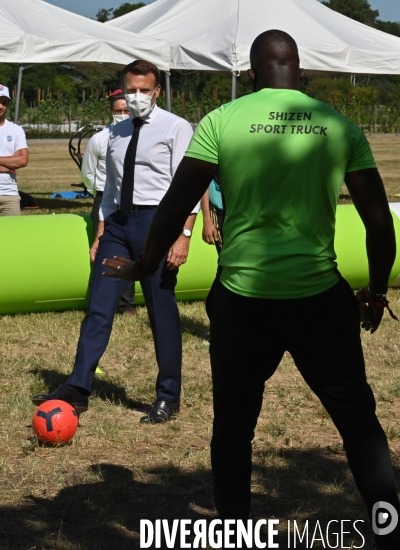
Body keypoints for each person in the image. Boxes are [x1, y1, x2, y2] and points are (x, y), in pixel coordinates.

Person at [103, 32, 400, 548]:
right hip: (319, 299)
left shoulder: (222, 120)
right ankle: (387, 522)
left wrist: (145, 262)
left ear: (251, 75)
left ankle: (236, 533)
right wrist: (375, 293)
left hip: (243, 299)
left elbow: (177, 203)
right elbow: (380, 224)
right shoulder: (338, 125)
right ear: (301, 74)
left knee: (234, 425)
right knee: (357, 418)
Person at [33, 59, 198, 424]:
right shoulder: (115, 133)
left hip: (158, 224)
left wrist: (184, 235)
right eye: (131, 90)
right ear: (122, 90)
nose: (137, 97)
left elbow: (187, 187)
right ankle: (77, 388)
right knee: (99, 307)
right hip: (119, 226)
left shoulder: (176, 127)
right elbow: (110, 188)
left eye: (144, 90)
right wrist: (101, 232)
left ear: (156, 91)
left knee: (161, 312)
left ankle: (168, 396)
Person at [81, 89, 137, 315]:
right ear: (110, 112)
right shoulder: (99, 139)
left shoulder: (138, 136)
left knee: (130, 250)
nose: (122, 114)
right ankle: (101, 302)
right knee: (103, 249)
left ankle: (127, 304)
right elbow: (88, 172)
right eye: (118, 111)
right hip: (105, 198)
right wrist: (100, 191)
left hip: (132, 200)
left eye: (126, 110)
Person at [0, 85, 29, 215]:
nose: (1, 106)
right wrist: (9, 164)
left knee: (12, 234)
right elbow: (17, 161)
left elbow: (23, 160)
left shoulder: (16, 130)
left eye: (4, 103)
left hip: (9, 194)